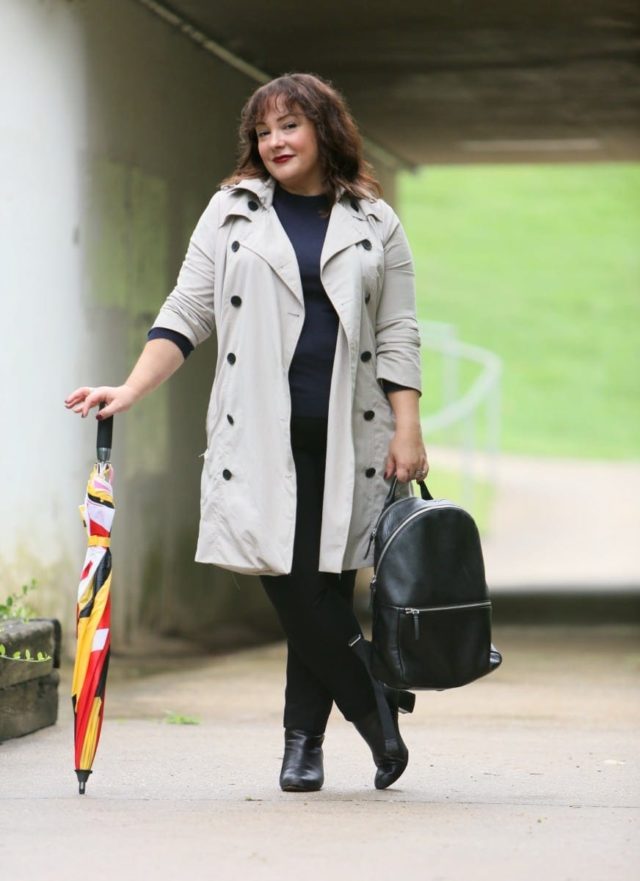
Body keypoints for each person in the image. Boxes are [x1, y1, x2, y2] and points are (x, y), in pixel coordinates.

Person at [65, 72, 428, 792]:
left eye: (289, 126)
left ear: (324, 129)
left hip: (349, 435)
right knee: (291, 582)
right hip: (258, 432)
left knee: (321, 587)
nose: (274, 142)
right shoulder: (231, 212)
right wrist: (130, 388)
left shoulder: (374, 220)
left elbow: (398, 330)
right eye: (263, 132)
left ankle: (303, 748)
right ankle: (374, 704)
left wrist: (407, 427)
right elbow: (187, 309)